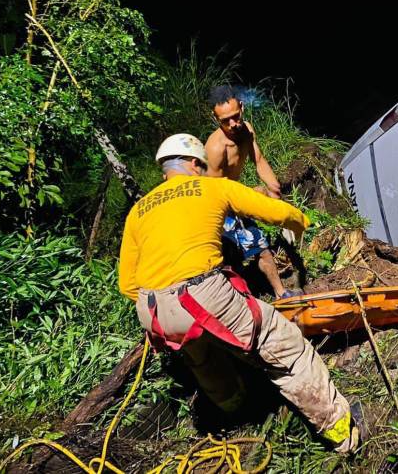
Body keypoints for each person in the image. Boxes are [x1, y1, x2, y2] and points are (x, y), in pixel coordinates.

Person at [118, 133, 359, 453]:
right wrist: (300, 220)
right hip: (202, 293)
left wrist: (166, 304)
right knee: (288, 352)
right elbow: (271, 211)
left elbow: (126, 285)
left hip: (153, 310)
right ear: (192, 164)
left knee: (203, 358)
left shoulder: (139, 211)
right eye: (200, 166)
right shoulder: (211, 187)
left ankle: (237, 410)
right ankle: (342, 432)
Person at [204, 85, 300, 298]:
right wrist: (253, 197)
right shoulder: (216, 149)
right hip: (219, 208)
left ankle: (281, 293)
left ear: (242, 107)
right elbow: (214, 192)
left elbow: (259, 160)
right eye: (225, 121)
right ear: (215, 119)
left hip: (236, 200)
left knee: (262, 249)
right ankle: (241, 304)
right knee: (230, 261)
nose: (233, 124)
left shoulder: (246, 130)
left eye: (235, 117)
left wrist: (276, 193)